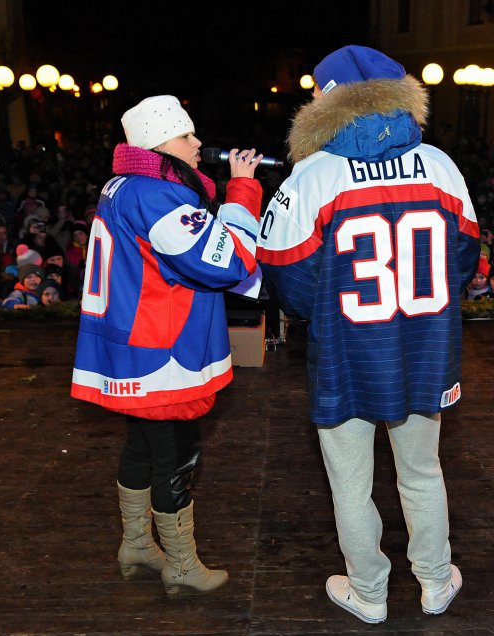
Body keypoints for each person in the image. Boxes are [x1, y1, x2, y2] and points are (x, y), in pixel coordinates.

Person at [256, 45, 473, 623]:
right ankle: (435, 582)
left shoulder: (314, 174)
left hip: (347, 349)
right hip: (425, 344)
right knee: (422, 470)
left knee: (350, 481)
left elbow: (284, 274)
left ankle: (369, 593)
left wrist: (326, 309)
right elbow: (465, 254)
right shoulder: (440, 164)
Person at [69, 95, 263, 598]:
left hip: (134, 342)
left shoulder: (123, 185)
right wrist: (243, 191)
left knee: (142, 444)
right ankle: (181, 564)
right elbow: (223, 261)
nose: (198, 143)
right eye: (186, 135)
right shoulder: (156, 194)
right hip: (164, 349)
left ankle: (136, 546)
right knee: (176, 454)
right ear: (159, 144)